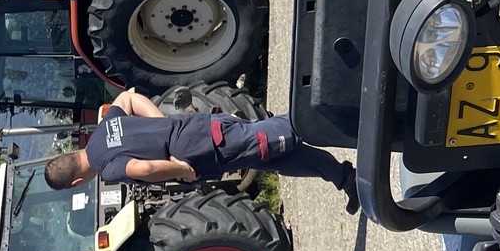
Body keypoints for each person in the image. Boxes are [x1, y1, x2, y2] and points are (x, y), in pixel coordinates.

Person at [43, 89, 358, 213]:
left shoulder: (108, 168)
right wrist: (161, 123)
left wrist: (181, 169)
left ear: (76, 182)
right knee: (279, 159)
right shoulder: (103, 130)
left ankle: (354, 113)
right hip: (206, 130)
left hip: (210, 148)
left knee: (284, 132)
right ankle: (347, 179)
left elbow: (143, 169)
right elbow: (127, 98)